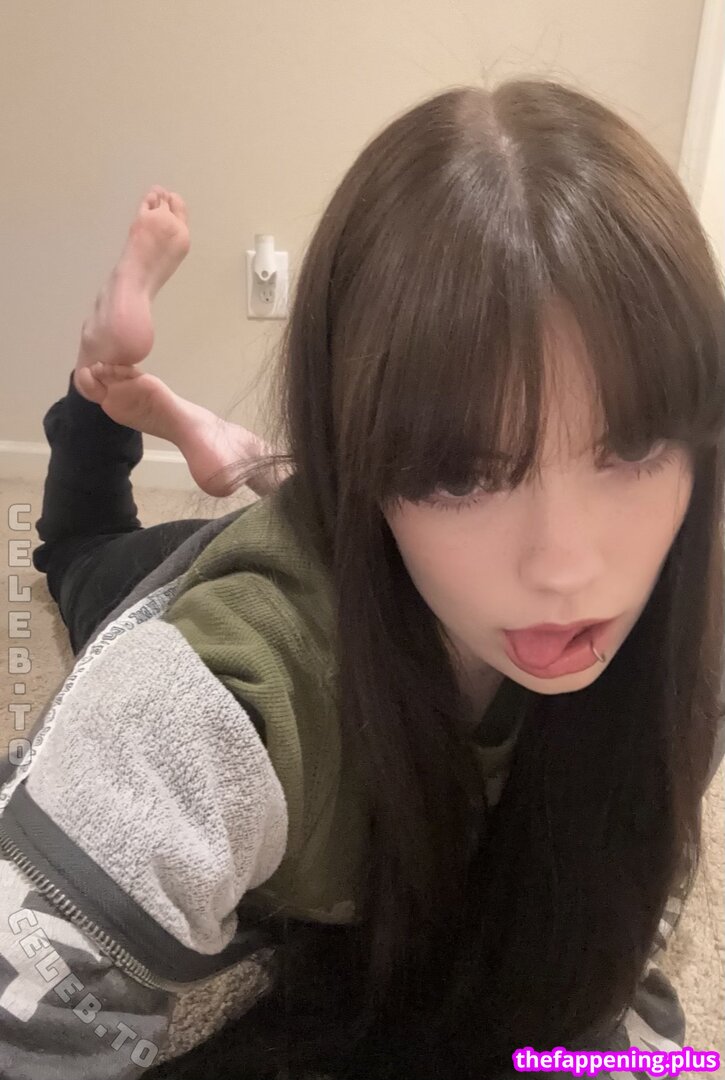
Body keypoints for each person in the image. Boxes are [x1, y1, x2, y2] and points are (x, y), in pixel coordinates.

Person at [1, 76, 723, 1080]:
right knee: (76, 546)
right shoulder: (205, 698)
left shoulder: (683, 643)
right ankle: (106, 389)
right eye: (464, 473)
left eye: (632, 447)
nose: (566, 568)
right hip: (186, 566)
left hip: (359, 536)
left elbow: (608, 982)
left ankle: (235, 449)